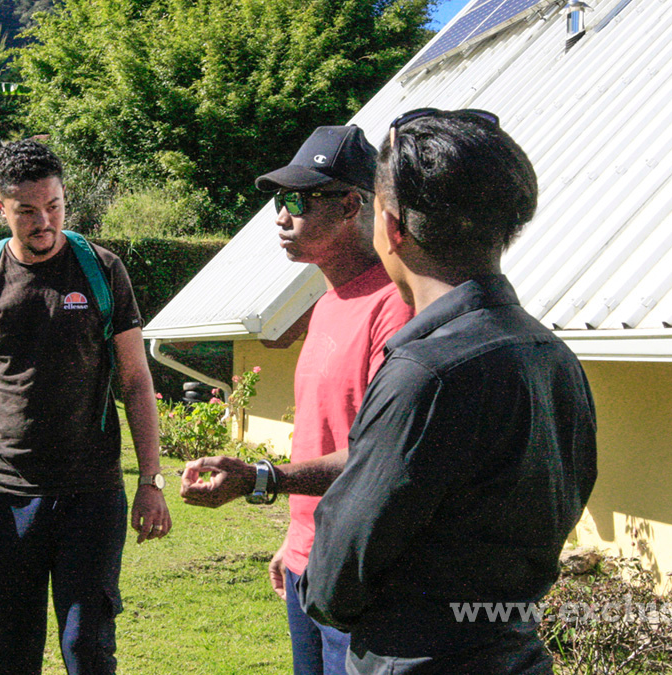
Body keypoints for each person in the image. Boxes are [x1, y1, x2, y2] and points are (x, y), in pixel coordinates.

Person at [296, 108, 598, 674]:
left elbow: (340, 567)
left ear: (391, 227)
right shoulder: (553, 357)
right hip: (514, 651)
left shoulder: (425, 371)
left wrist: (322, 589)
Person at [179, 124, 413, 675]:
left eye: (296, 200)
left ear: (351, 204)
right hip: (310, 563)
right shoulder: (328, 302)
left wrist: (261, 479)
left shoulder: (394, 308)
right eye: (277, 202)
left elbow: (377, 458)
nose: (279, 217)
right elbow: (323, 433)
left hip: (358, 576)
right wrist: (296, 539)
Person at [0, 139, 171, 675]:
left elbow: (136, 381)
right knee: (9, 656)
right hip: (2, 498)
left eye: (55, 206)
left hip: (90, 496)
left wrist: (151, 481)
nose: (44, 222)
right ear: (0, 207)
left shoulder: (102, 271)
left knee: (88, 651)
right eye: (27, 211)